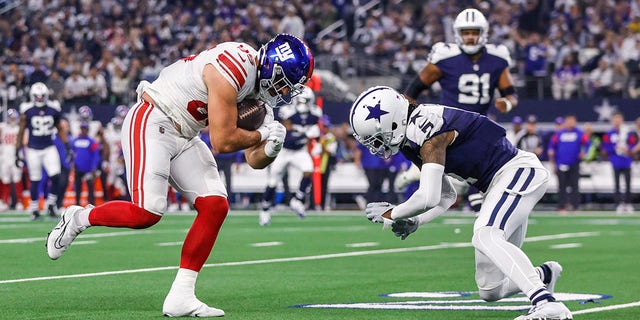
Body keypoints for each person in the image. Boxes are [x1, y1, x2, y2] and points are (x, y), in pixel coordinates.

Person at [46, 34, 313, 317]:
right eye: (286, 83)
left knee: (215, 205)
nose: (285, 92)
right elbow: (222, 142)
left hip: (185, 134)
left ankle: (181, 297)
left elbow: (253, 159)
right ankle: (78, 218)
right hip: (154, 117)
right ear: (274, 67)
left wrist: (271, 147)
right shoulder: (236, 64)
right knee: (147, 213)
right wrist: (261, 134)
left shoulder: (259, 99)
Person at [350, 86, 572, 320]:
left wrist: (392, 213)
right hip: (497, 185)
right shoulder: (410, 141)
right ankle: (544, 275)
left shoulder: (426, 127)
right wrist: (416, 220)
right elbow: (446, 195)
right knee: (490, 290)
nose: (376, 145)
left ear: (391, 120)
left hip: (517, 171)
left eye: (376, 137)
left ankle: (547, 304)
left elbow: (428, 196)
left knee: (485, 234)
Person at [403, 8, 519, 213]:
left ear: (483, 33)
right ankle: (419, 172)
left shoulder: (497, 58)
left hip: (477, 125)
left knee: (483, 175)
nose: (471, 37)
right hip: (448, 124)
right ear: (458, 34)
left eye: (474, 32)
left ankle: (464, 190)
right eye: (466, 32)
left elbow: (511, 94)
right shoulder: (444, 57)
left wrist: (507, 103)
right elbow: (412, 91)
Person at [259, 86, 322, 225]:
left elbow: (315, 132)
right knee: (273, 181)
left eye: (305, 101)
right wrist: (304, 133)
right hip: (284, 150)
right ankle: (265, 210)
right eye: (301, 101)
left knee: (308, 170)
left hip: (300, 151)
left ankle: (297, 200)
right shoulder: (287, 112)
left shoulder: (315, 114)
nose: (303, 105)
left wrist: (316, 143)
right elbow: (287, 134)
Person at [17, 82, 71, 220]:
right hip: (33, 149)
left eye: (42, 96)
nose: (40, 99)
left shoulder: (53, 109)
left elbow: (60, 129)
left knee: (56, 176)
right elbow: (21, 132)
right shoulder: (27, 110)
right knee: (35, 179)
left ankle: (51, 204)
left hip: (48, 147)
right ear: (32, 96)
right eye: (37, 96)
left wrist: (67, 147)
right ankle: (34, 209)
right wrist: (17, 151)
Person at [547, 115, 587, 214]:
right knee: (562, 186)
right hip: (561, 163)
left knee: (574, 185)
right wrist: (551, 154)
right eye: (568, 121)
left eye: (572, 121)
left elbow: (587, 144)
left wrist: (584, 152)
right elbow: (552, 145)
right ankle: (562, 206)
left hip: (574, 163)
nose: (570, 123)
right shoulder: (559, 134)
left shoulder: (579, 133)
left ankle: (575, 206)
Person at [602, 112, 635, 214]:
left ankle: (628, 203)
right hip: (616, 161)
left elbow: (633, 143)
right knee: (617, 184)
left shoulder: (627, 132)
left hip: (626, 161)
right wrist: (614, 148)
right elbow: (605, 146)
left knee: (628, 184)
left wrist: (628, 149)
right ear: (612, 120)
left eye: (619, 118)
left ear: (622, 120)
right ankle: (618, 204)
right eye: (615, 119)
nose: (617, 121)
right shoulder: (609, 133)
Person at [71, 122, 101, 206]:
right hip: (78, 168)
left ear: (88, 130)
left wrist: (94, 167)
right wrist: (73, 163)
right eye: (82, 129)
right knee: (78, 187)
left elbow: (96, 155)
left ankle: (91, 205)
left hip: (88, 169)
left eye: (85, 129)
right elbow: (72, 153)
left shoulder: (91, 141)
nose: (83, 130)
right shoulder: (75, 140)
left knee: (90, 187)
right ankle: (77, 204)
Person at [0, 108, 22, 210]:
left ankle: (19, 202)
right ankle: (4, 201)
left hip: (16, 156)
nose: (12, 119)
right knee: (5, 179)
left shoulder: (19, 129)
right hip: (5, 156)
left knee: (17, 179)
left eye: (14, 118)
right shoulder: (3, 127)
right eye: (11, 118)